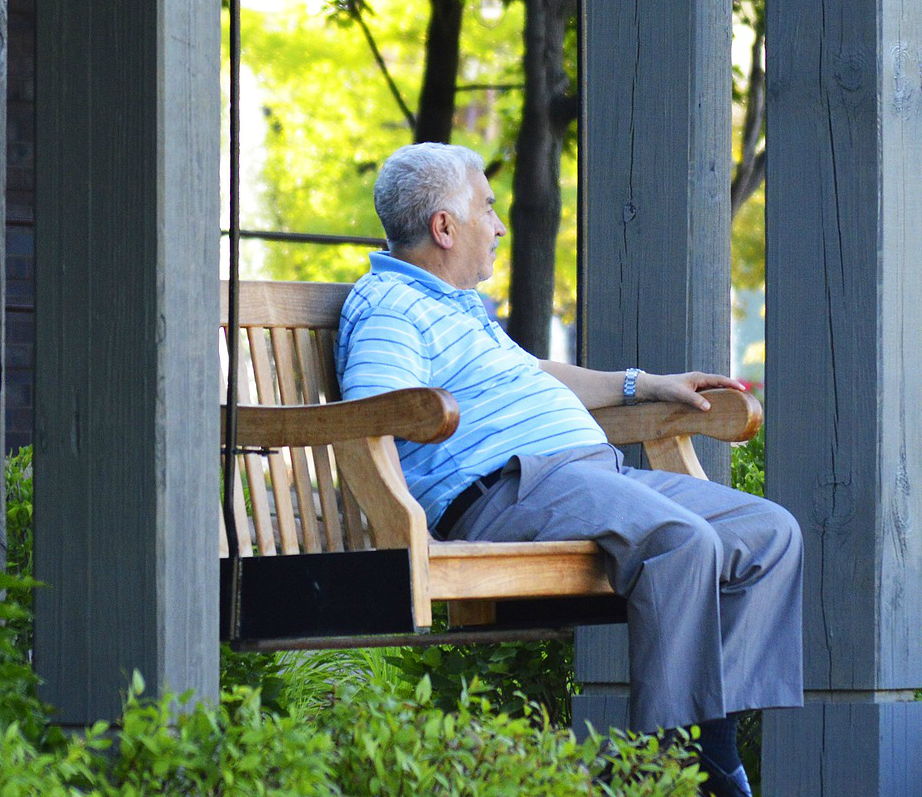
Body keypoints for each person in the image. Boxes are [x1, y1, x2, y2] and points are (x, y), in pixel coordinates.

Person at [335, 143, 802, 797]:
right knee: (681, 540)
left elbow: (536, 374)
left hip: (587, 474)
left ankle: (707, 744)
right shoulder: (391, 306)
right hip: (511, 486)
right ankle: (681, 766)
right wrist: (445, 415)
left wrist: (644, 385)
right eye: (488, 209)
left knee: (767, 531)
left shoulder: (457, 308)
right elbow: (372, 409)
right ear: (444, 227)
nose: (498, 227)